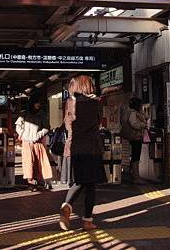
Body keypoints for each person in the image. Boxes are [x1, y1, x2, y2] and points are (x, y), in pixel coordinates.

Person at [59, 75, 107, 231]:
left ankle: (66, 206)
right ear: (87, 86)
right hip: (91, 149)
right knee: (90, 186)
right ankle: (87, 221)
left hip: (73, 149)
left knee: (78, 182)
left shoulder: (69, 103)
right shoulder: (96, 103)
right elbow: (99, 122)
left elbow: (67, 126)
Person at [15, 98, 53, 190]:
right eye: (37, 103)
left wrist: (38, 135)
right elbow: (18, 127)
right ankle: (31, 182)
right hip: (27, 142)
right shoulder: (24, 113)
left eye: (39, 103)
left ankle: (40, 180)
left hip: (37, 142)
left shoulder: (42, 114)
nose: (38, 105)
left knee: (40, 161)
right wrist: (24, 135)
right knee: (29, 163)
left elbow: (46, 127)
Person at [121, 96, 148, 184]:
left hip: (133, 136)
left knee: (135, 156)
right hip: (135, 136)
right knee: (136, 157)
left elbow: (146, 116)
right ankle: (136, 177)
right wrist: (142, 125)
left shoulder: (129, 112)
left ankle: (134, 175)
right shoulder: (132, 113)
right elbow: (133, 123)